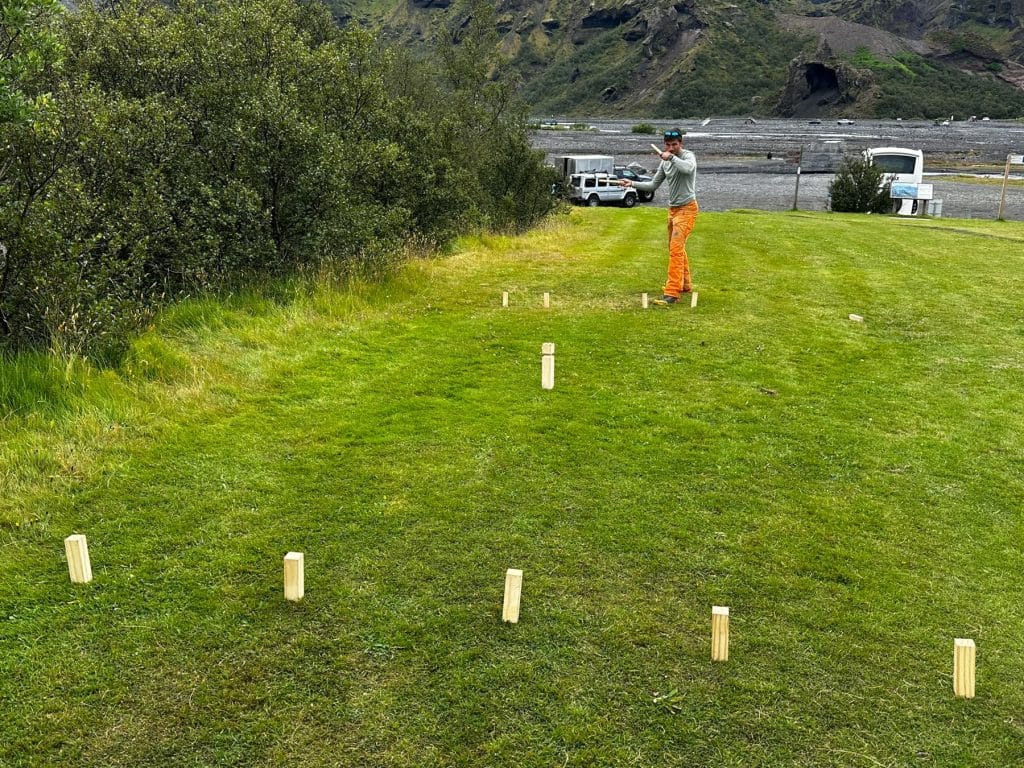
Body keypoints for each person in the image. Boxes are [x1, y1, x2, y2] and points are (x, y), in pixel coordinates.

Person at [617, 128, 698, 304]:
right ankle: (685, 284)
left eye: (674, 145)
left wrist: (672, 157)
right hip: (673, 210)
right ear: (664, 144)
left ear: (680, 144)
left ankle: (672, 292)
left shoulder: (688, 156)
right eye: (668, 145)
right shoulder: (665, 163)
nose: (671, 148)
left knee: (676, 249)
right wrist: (631, 183)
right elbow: (653, 185)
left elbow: (688, 169)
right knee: (676, 248)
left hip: (688, 209)